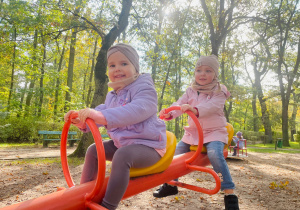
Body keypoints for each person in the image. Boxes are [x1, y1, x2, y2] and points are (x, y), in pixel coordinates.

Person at [64, 43, 167, 210]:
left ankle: (108, 206)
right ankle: (83, 193)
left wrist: (102, 116)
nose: (117, 69)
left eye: (124, 63)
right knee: (93, 150)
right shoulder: (113, 95)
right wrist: (82, 120)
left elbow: (138, 109)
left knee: (122, 155)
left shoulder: (145, 88)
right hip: (124, 144)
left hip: (149, 146)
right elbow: (102, 112)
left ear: (136, 69)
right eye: (112, 65)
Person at [153, 55, 239, 210]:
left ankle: (229, 193)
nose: (202, 74)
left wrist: (195, 109)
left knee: (215, 155)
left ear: (215, 74)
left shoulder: (219, 90)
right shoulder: (190, 90)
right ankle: (170, 184)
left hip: (214, 132)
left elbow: (213, 106)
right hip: (193, 134)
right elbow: (179, 104)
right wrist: (169, 113)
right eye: (199, 70)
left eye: (207, 70)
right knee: (174, 155)